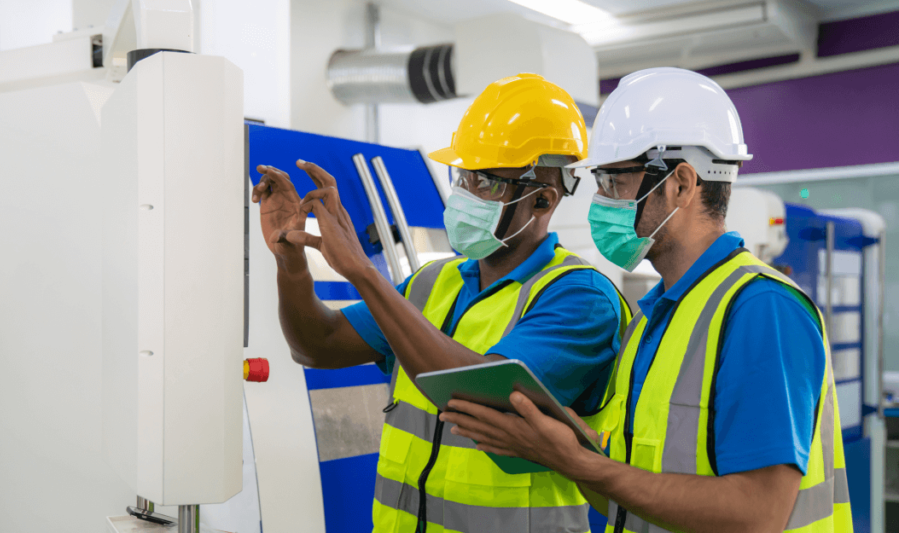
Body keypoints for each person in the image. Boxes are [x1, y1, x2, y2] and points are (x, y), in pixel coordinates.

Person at [441, 67, 853, 533]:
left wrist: (581, 463)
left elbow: (756, 514)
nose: (600, 201)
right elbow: (623, 491)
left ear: (680, 183)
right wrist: (565, 446)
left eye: (613, 182)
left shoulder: (761, 309)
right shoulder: (652, 320)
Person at [250, 73, 630, 533]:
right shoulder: (432, 283)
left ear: (543, 199)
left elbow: (479, 395)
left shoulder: (580, 298)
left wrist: (364, 273)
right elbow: (317, 345)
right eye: (462, 176)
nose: (465, 194)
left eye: (485, 183)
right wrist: (290, 264)